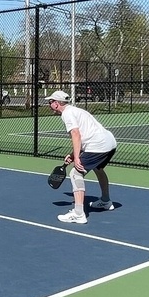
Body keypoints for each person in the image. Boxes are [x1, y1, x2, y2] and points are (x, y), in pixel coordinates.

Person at [46, 89, 117, 225]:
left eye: (50, 102)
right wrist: (73, 155)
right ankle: (106, 201)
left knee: (75, 173)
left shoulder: (67, 114)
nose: (49, 105)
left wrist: (77, 158)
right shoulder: (76, 111)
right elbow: (85, 135)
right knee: (98, 168)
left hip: (98, 145)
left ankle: (79, 213)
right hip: (110, 143)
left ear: (56, 104)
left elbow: (76, 134)